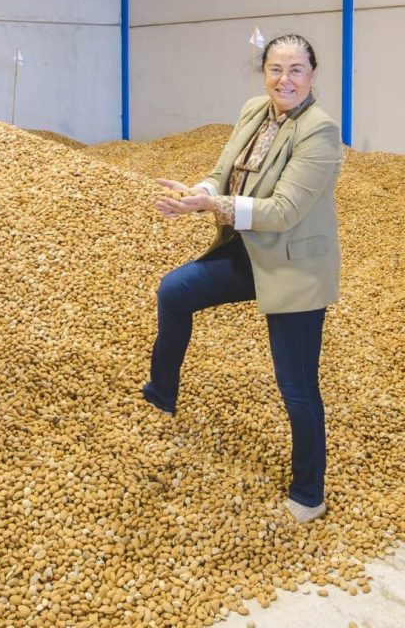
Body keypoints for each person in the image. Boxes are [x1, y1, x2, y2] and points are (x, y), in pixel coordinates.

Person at [141, 34, 341, 523]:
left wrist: (213, 204)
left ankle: (309, 494)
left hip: (293, 264)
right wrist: (197, 192)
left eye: (296, 69)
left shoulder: (319, 130)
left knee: (296, 383)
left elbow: (284, 210)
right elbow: (223, 172)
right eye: (275, 68)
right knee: (174, 291)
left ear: (313, 75)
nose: (284, 79)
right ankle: (159, 397)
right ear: (263, 72)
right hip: (248, 252)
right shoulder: (254, 111)